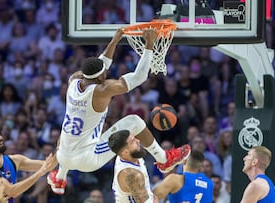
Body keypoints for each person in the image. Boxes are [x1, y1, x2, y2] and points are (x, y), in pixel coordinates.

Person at [47, 28, 191, 194]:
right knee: (135, 122)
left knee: (68, 138)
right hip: (87, 159)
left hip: (63, 156)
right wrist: (149, 46)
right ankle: (165, 159)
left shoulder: (74, 81)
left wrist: (114, 41)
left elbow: (100, 66)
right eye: (104, 74)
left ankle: (60, 177)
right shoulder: (102, 89)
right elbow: (139, 77)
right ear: (101, 77)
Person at [0, 128, 56, 203]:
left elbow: (50, 165)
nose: (0, 138)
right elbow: (12, 191)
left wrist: (63, 144)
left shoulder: (14, 160)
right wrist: (39, 173)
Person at [108, 130, 158, 203]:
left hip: (148, 196)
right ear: (125, 152)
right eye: (133, 141)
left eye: (134, 138)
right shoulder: (132, 174)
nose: (138, 141)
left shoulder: (129, 154)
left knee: (174, 179)